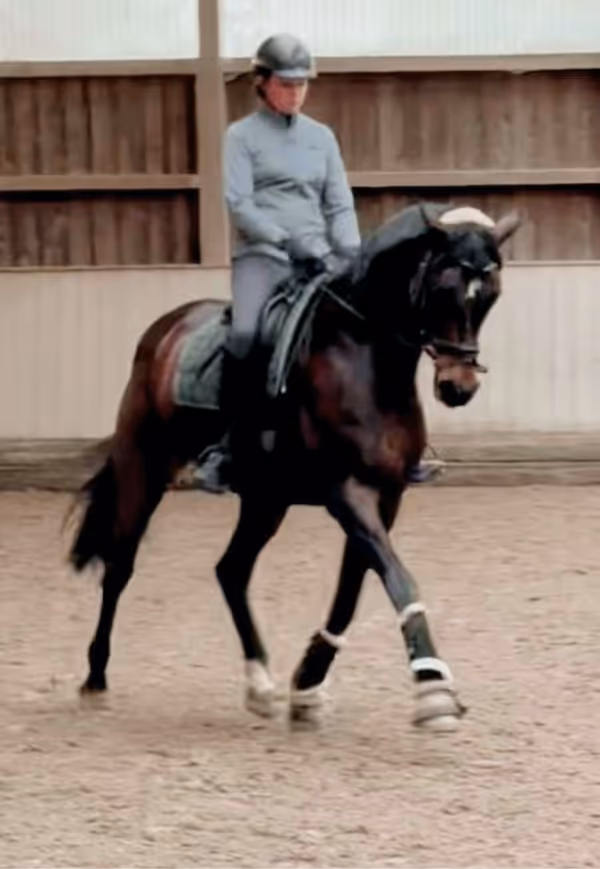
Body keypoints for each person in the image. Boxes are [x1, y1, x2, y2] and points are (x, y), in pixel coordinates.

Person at [192, 33, 443, 493]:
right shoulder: (240, 136)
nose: (295, 92)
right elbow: (240, 204)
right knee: (245, 333)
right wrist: (286, 241)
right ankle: (225, 447)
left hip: (323, 258)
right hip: (263, 258)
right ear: (262, 83)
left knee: (379, 327)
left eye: (301, 84)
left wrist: (349, 252)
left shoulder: (321, 137)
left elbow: (339, 203)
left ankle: (403, 444)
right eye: (285, 84)